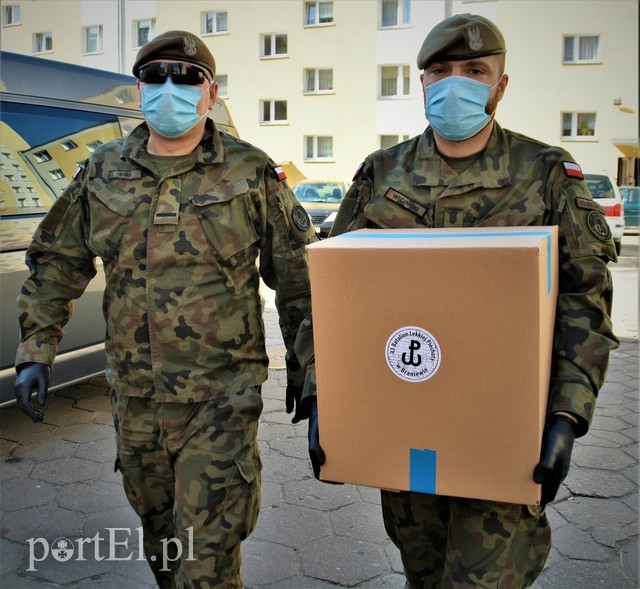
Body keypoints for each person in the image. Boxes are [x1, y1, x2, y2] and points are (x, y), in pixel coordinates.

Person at [306, 13, 619, 589]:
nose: (456, 83)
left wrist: (567, 416)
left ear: (500, 85)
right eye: (440, 71)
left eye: (475, 70)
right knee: (422, 573)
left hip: (505, 427)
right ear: (421, 83)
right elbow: (330, 293)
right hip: (403, 421)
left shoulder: (546, 173)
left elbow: (585, 301)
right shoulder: (380, 174)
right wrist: (322, 393)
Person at [14, 30, 317, 588]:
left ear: (210, 92)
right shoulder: (102, 171)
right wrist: (37, 349)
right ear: (138, 89)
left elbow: (301, 281)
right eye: (156, 77)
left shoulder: (250, 171)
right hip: (135, 399)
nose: (169, 89)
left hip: (221, 399)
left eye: (186, 77)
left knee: (205, 562)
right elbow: (57, 262)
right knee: (164, 547)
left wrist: (312, 371)